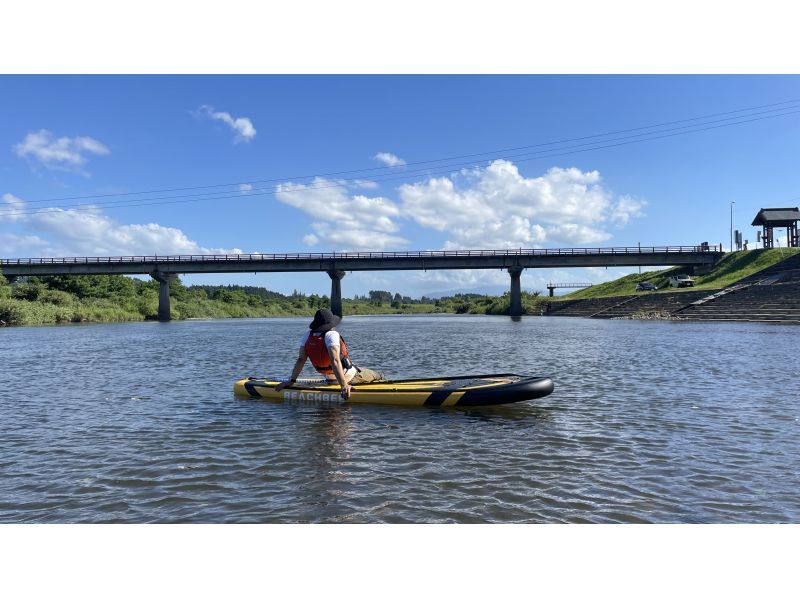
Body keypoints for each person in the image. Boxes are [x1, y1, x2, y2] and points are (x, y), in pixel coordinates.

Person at [274, 308, 385, 399]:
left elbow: (301, 359)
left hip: (329, 379)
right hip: (350, 377)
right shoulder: (332, 335)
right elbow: (335, 360)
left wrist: (291, 381)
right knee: (379, 375)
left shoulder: (307, 335)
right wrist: (344, 385)